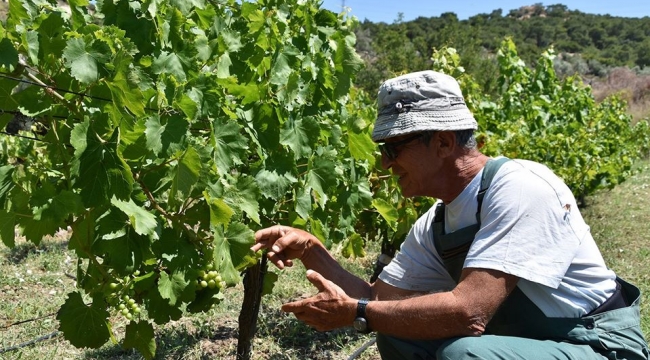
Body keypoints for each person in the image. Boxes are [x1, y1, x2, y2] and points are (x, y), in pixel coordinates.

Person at [251, 70, 649, 359]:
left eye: (393, 148)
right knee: (397, 333)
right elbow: (377, 299)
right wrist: (311, 250)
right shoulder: (435, 224)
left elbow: (470, 312)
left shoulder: (520, 187)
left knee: (465, 355)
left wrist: (358, 314)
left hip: (598, 346)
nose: (386, 164)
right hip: (534, 345)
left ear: (442, 142)